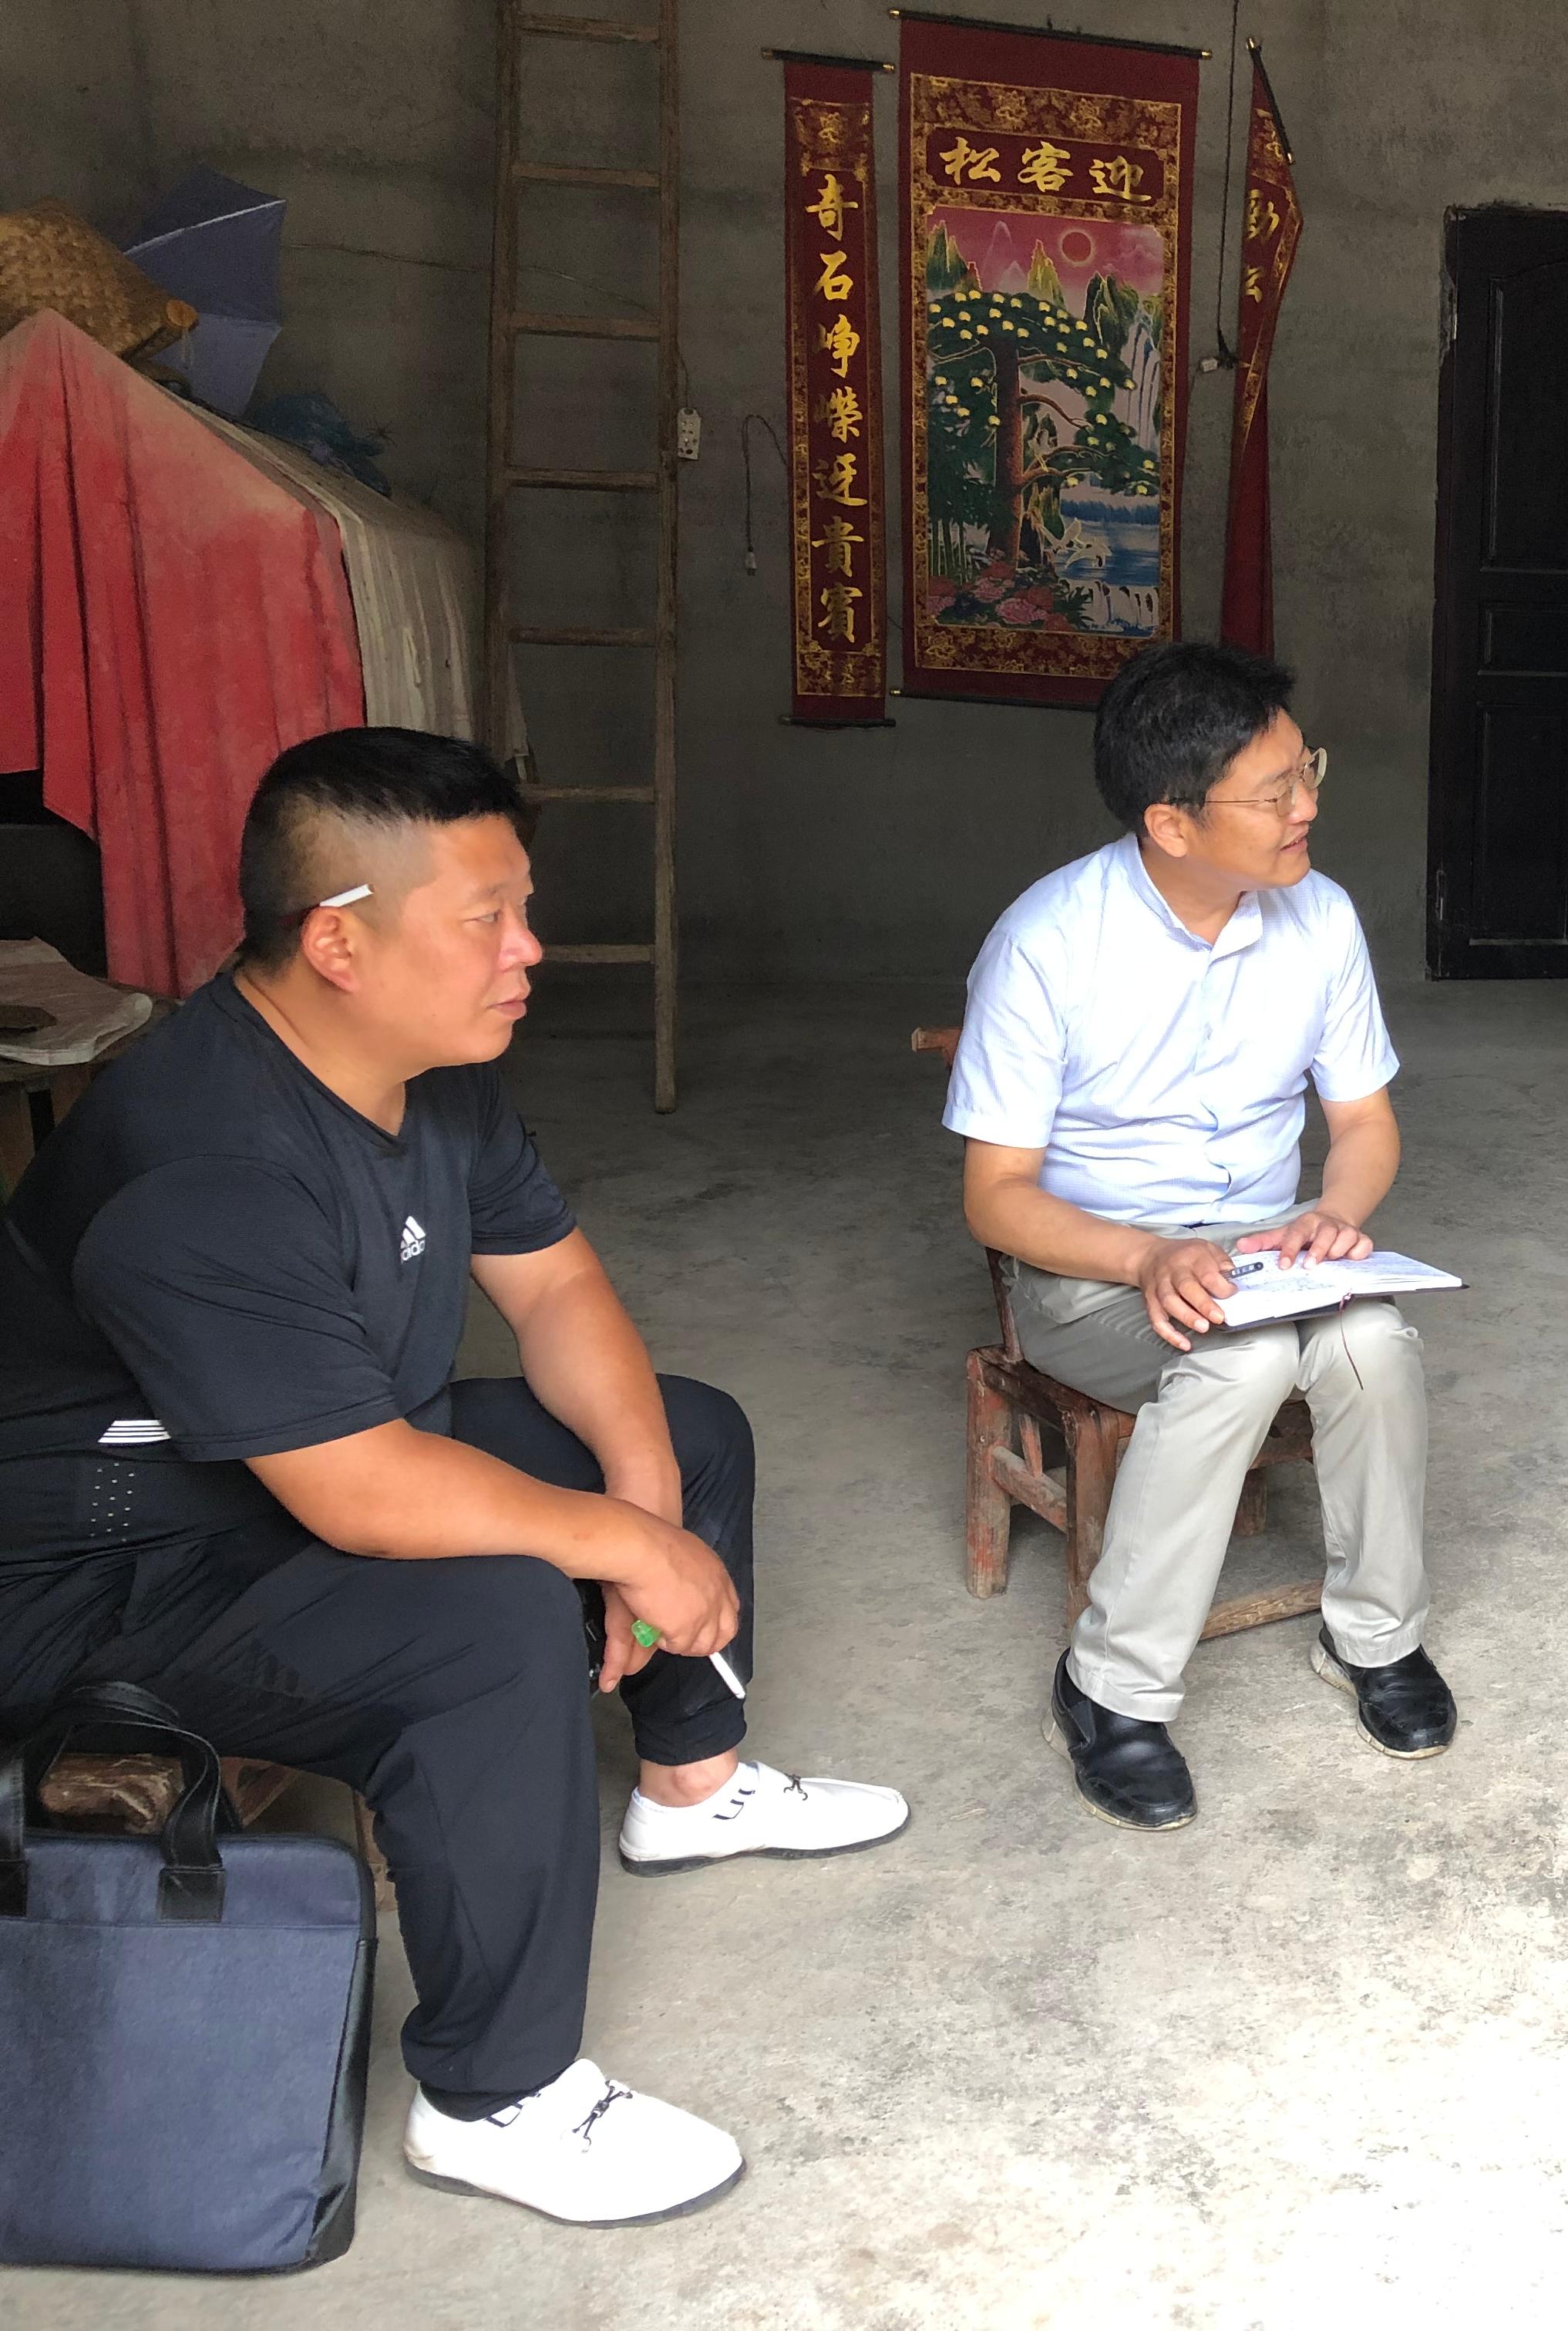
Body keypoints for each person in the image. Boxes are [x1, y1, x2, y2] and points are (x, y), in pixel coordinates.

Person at [0, 729, 908, 2231]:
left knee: (685, 1431)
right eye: (487, 917)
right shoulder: (200, 1159)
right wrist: (618, 1544)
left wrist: (643, 1504)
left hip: (308, 1460)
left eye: (522, 908)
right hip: (112, 1576)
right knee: (486, 1625)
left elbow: (557, 1290)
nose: (528, 949)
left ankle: (689, 1785)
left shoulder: (432, 1070)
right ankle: (495, 2100)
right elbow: (361, 1495)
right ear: (338, 943)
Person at [948, 639, 1452, 1834]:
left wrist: (1336, 1214)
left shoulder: (1320, 916)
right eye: (1274, 792)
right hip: (1097, 1264)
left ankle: (1374, 1639)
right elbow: (996, 1197)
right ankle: (1109, 1690)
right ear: (1172, 824)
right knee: (1242, 1359)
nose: (1306, 807)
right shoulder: (1049, 942)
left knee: (1376, 1343)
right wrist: (1144, 1258)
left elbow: (1365, 1124)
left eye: (1306, 771)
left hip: (1268, 1247)